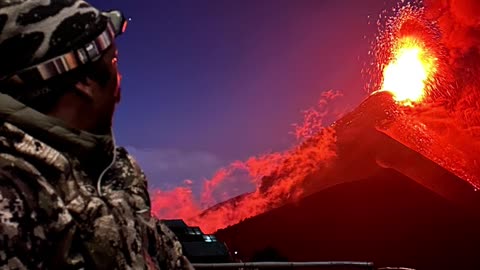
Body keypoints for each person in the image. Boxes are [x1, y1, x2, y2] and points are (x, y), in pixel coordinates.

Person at [0, 0, 193, 269]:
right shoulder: (13, 195)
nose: (119, 77)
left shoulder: (115, 173)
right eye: (113, 61)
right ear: (85, 82)